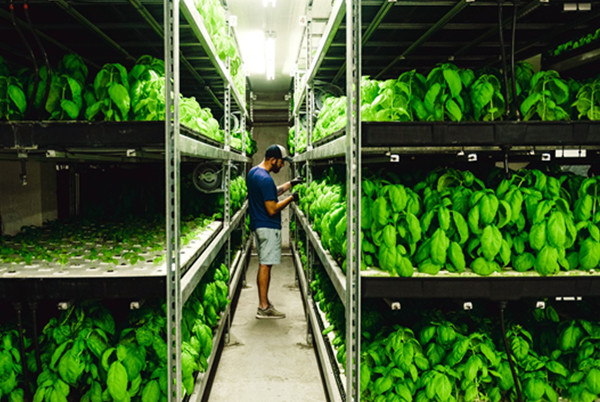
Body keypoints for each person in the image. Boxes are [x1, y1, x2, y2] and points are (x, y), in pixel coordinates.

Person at [247, 144, 303, 319]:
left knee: (264, 263)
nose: (282, 165)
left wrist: (290, 184)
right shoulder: (265, 179)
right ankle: (263, 307)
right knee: (265, 265)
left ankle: (264, 303)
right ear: (273, 160)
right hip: (268, 226)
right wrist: (291, 199)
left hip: (258, 224)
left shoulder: (255, 173)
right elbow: (272, 208)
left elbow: (271, 193)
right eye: (281, 162)